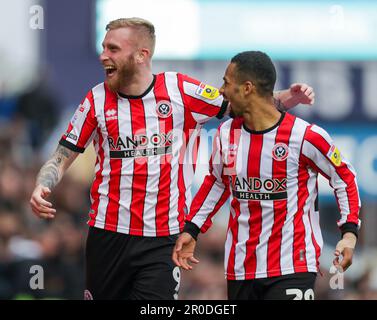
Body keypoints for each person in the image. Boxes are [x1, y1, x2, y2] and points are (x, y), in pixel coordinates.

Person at [30, 18, 314, 300]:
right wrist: (43, 183)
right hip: (108, 235)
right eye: (104, 48)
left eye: (113, 49)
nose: (104, 55)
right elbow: (63, 154)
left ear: (142, 55)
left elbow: (243, 104)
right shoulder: (96, 100)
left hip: (163, 239)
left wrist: (286, 96)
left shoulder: (179, 90)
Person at [173, 51, 361, 300]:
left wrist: (348, 234)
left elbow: (344, 176)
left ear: (247, 88)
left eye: (227, 83)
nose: (221, 91)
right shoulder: (226, 133)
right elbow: (217, 183)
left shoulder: (304, 136)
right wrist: (192, 228)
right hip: (241, 267)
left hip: (292, 264)